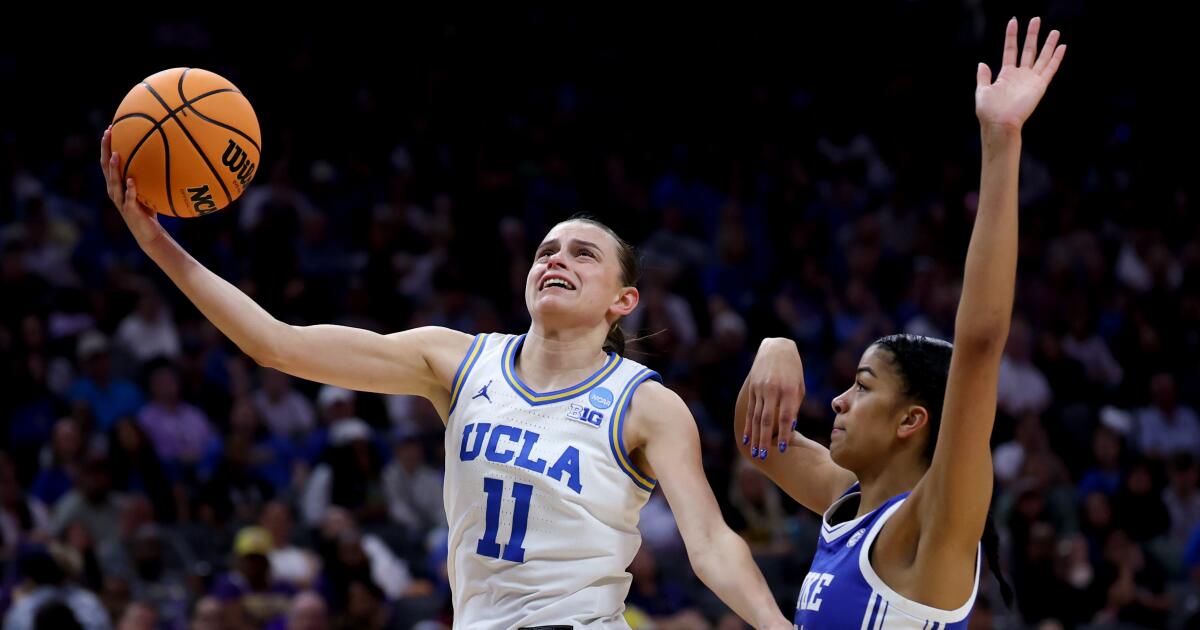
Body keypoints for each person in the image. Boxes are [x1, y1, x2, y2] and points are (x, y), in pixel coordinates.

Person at [99, 133, 789, 627]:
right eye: (547, 250)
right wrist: (156, 241)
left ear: (623, 300)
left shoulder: (646, 403)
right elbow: (275, 345)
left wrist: (775, 626)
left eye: (584, 254)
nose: (557, 259)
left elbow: (711, 543)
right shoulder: (456, 360)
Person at [734, 18, 1065, 627]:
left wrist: (1001, 141)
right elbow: (756, 441)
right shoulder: (848, 505)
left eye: (863, 387)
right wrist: (774, 347)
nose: (838, 400)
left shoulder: (933, 524)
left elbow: (980, 342)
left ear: (912, 419)